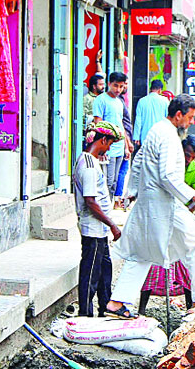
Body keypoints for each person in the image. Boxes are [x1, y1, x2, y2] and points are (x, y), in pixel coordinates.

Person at [105, 94, 195, 318]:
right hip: (164, 203)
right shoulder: (167, 135)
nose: (191, 122)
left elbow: (138, 161)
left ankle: (116, 303)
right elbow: (167, 175)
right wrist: (193, 195)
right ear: (178, 115)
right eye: (190, 117)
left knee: (143, 253)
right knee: (193, 242)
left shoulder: (157, 130)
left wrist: (132, 191)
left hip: (154, 202)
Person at [137, 134, 195, 315]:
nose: (188, 160)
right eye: (186, 154)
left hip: (180, 223)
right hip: (160, 219)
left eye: (192, 157)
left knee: (185, 265)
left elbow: (194, 201)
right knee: (153, 264)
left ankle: (192, 306)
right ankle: (141, 310)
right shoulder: (169, 166)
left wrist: (179, 218)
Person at [73, 121, 125, 317]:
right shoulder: (88, 165)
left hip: (99, 228)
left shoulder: (92, 162)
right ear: (103, 140)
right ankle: (85, 312)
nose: (109, 148)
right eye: (109, 144)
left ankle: (106, 306)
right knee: (90, 273)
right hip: (93, 228)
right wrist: (112, 225)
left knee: (104, 270)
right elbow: (91, 201)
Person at [93, 72, 131, 197]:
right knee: (107, 182)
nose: (118, 89)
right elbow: (98, 123)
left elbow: (121, 125)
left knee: (115, 181)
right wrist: (101, 148)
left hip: (119, 147)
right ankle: (103, 209)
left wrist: (126, 145)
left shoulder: (120, 102)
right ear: (109, 84)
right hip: (107, 147)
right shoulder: (101, 100)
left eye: (121, 86)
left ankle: (108, 208)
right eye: (116, 86)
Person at [113, 83, 134, 209]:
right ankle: (116, 200)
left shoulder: (120, 102)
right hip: (118, 144)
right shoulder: (117, 103)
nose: (123, 87)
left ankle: (117, 199)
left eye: (125, 84)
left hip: (124, 142)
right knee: (116, 176)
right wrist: (127, 144)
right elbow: (121, 126)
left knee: (120, 173)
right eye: (120, 85)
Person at [133, 80, 169, 148]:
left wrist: (136, 137)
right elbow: (168, 119)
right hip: (160, 137)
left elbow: (138, 121)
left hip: (145, 137)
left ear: (150, 88)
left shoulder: (142, 101)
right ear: (160, 90)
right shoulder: (165, 101)